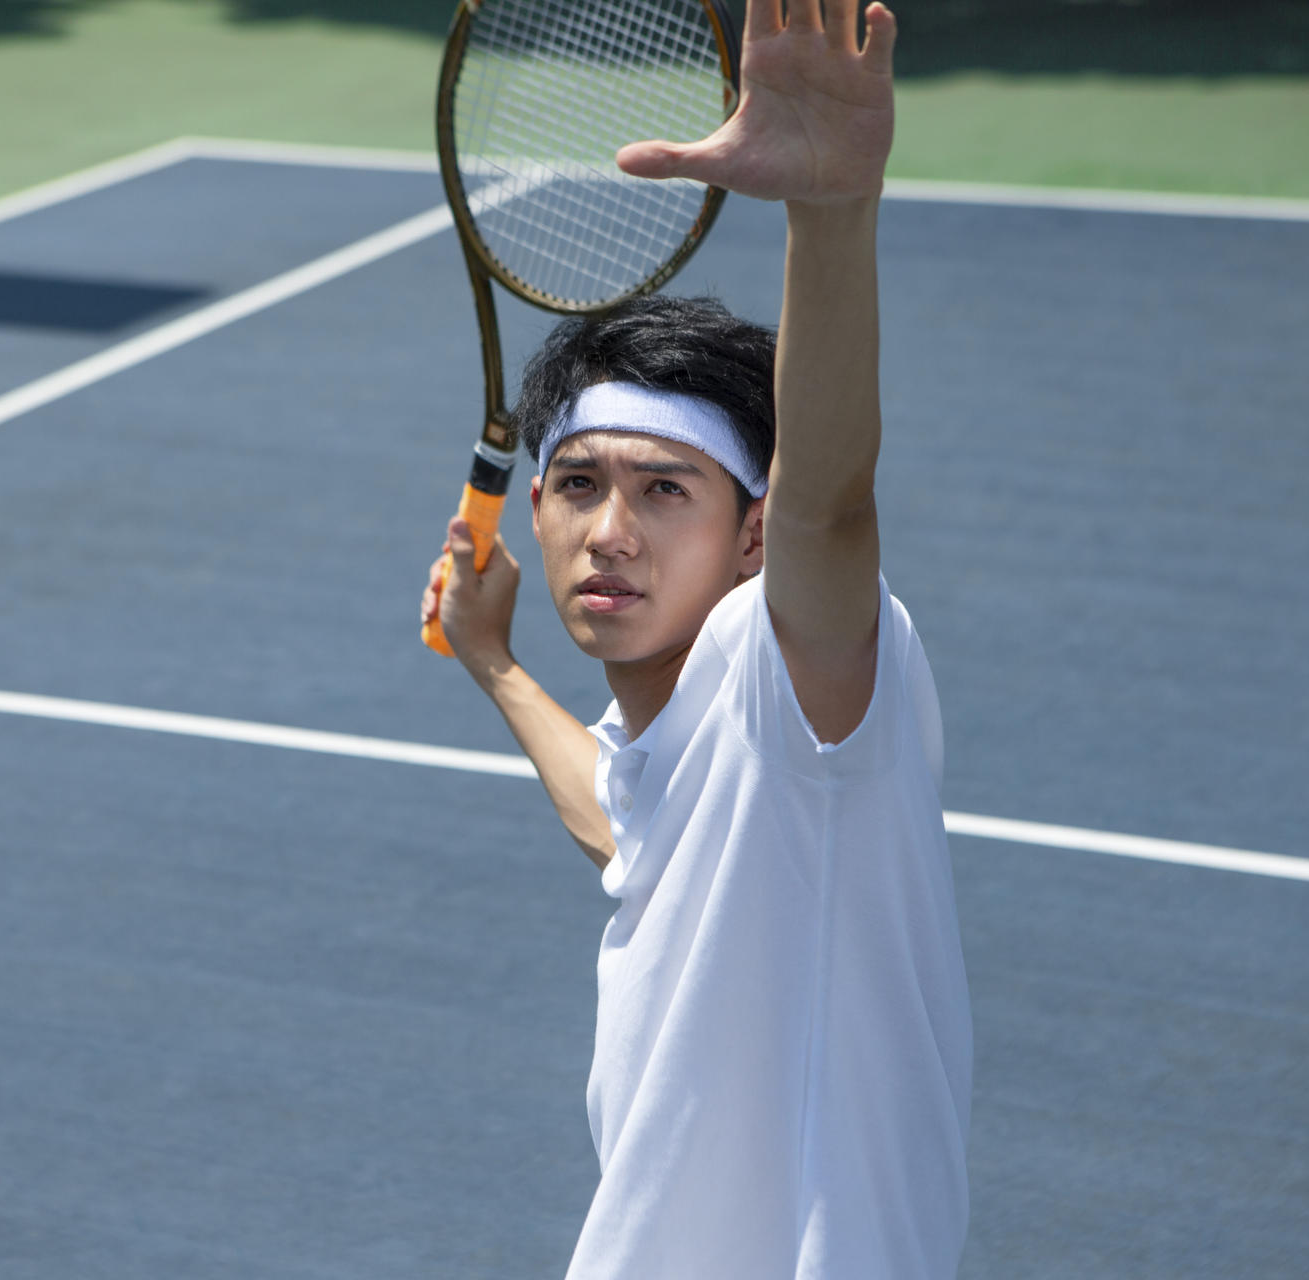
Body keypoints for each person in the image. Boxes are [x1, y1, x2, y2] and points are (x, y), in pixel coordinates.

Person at [419, 2, 970, 1276]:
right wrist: (499, 666)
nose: (608, 528)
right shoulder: (681, 742)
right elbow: (627, 823)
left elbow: (834, 500)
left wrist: (831, 211)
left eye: (666, 490)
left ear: (754, 539)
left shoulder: (787, 688)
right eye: (578, 484)